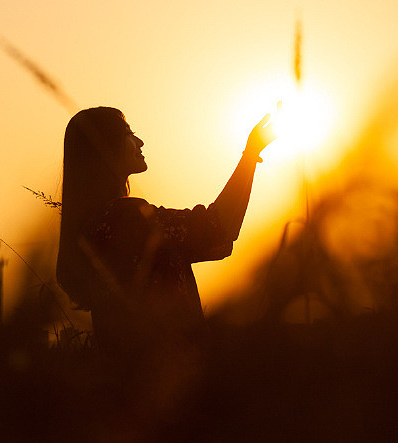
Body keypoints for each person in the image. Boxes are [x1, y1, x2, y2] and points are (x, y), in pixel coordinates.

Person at [56, 106, 276, 365]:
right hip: (169, 374)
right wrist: (250, 154)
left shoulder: (95, 224)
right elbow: (217, 228)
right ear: (104, 145)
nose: (139, 141)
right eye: (128, 133)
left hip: (131, 380)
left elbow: (219, 241)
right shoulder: (127, 217)